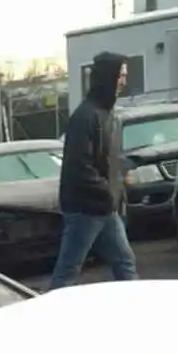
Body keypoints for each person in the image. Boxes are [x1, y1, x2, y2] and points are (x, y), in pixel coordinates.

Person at [51, 51, 138, 287]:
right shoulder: (86, 116)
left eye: (124, 76)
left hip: (104, 207)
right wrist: (108, 191)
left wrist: (122, 173)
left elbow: (107, 158)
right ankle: (47, 311)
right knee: (68, 270)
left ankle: (137, 309)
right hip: (85, 208)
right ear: (108, 77)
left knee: (125, 261)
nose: (123, 81)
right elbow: (79, 166)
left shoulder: (107, 114)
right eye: (120, 75)